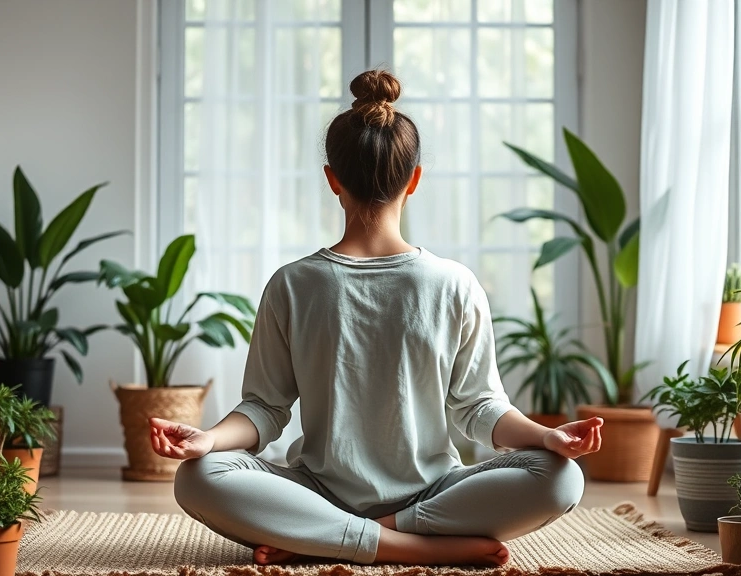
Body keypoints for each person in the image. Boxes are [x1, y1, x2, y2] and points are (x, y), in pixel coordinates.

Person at [149, 69, 604, 568]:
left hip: (417, 496)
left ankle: (336, 538)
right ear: (415, 179)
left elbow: (263, 409)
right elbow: (480, 410)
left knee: (560, 473)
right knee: (201, 472)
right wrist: (207, 443)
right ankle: (411, 547)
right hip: (321, 492)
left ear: (331, 179)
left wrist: (547, 442)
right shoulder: (446, 282)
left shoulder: (295, 282)